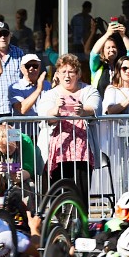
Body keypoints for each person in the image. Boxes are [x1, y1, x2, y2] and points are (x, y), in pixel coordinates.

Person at [36, 53, 101, 202]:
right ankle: (60, 223)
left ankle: (80, 223)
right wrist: (55, 111)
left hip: (82, 153)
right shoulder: (50, 94)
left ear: (78, 74)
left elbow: (95, 107)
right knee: (58, 195)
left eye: (71, 71)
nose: (67, 76)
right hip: (58, 152)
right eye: (63, 72)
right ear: (57, 75)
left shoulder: (89, 90)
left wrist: (83, 111)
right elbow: (44, 115)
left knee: (81, 196)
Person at [88, 20, 129, 98]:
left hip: (120, 105)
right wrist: (108, 33)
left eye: (114, 47)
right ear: (103, 51)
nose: (111, 50)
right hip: (101, 106)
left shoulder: (122, 65)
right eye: (108, 48)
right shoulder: (97, 66)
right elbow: (93, 53)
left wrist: (123, 35)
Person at [0, 19, 23, 115]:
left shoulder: (19, 53)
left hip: (16, 109)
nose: (2, 37)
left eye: (5, 34)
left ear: (10, 35)